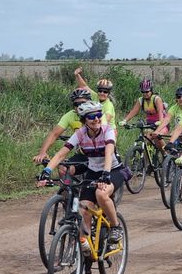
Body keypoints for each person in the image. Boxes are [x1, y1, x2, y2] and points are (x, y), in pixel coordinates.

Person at [40, 101, 124, 251]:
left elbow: (108, 152)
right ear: (84, 120)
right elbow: (60, 155)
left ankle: (115, 226)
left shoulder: (107, 130)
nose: (97, 119)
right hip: (93, 171)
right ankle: (86, 251)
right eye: (92, 117)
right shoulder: (80, 134)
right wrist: (46, 171)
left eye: (99, 115)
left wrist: (105, 174)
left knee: (101, 194)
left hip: (113, 170)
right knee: (84, 210)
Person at [33, 87, 103, 175]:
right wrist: (42, 153)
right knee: (63, 168)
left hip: (101, 155)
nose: (79, 106)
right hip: (83, 154)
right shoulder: (70, 116)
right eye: (76, 104)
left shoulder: (97, 116)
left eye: (83, 103)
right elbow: (54, 134)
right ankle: (67, 184)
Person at [119, 79, 167, 148]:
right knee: (146, 140)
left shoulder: (156, 99)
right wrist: (125, 120)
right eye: (143, 92)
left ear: (151, 91)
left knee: (157, 136)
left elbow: (160, 112)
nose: (145, 94)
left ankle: (166, 152)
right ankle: (146, 154)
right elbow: (134, 111)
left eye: (147, 92)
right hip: (150, 123)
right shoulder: (141, 100)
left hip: (162, 123)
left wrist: (160, 122)